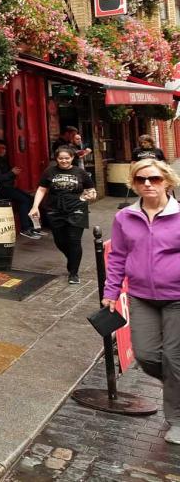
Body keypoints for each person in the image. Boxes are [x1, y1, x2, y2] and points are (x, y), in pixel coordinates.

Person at [103, 159, 180, 445]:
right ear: (134, 183)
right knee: (147, 356)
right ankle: (176, 384)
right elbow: (118, 257)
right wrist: (111, 291)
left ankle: (177, 419)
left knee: (175, 359)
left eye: (155, 179)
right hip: (141, 296)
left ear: (167, 181)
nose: (148, 183)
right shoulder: (125, 217)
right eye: (141, 179)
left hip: (177, 298)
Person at [30, 146, 97, 284]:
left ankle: (73, 273)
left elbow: (91, 190)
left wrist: (91, 196)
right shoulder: (50, 171)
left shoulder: (80, 172)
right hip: (55, 209)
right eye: (61, 158)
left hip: (77, 208)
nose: (64, 161)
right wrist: (35, 206)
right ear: (57, 159)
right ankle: (72, 259)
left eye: (67, 158)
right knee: (59, 241)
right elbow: (42, 189)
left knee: (74, 240)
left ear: (72, 158)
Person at [0, 140, 43, 240]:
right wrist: (12, 173)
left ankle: (33, 227)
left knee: (30, 198)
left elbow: (7, 177)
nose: (2, 150)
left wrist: (13, 174)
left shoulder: (2, 160)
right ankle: (25, 228)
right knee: (24, 200)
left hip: (6, 188)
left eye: (4, 148)